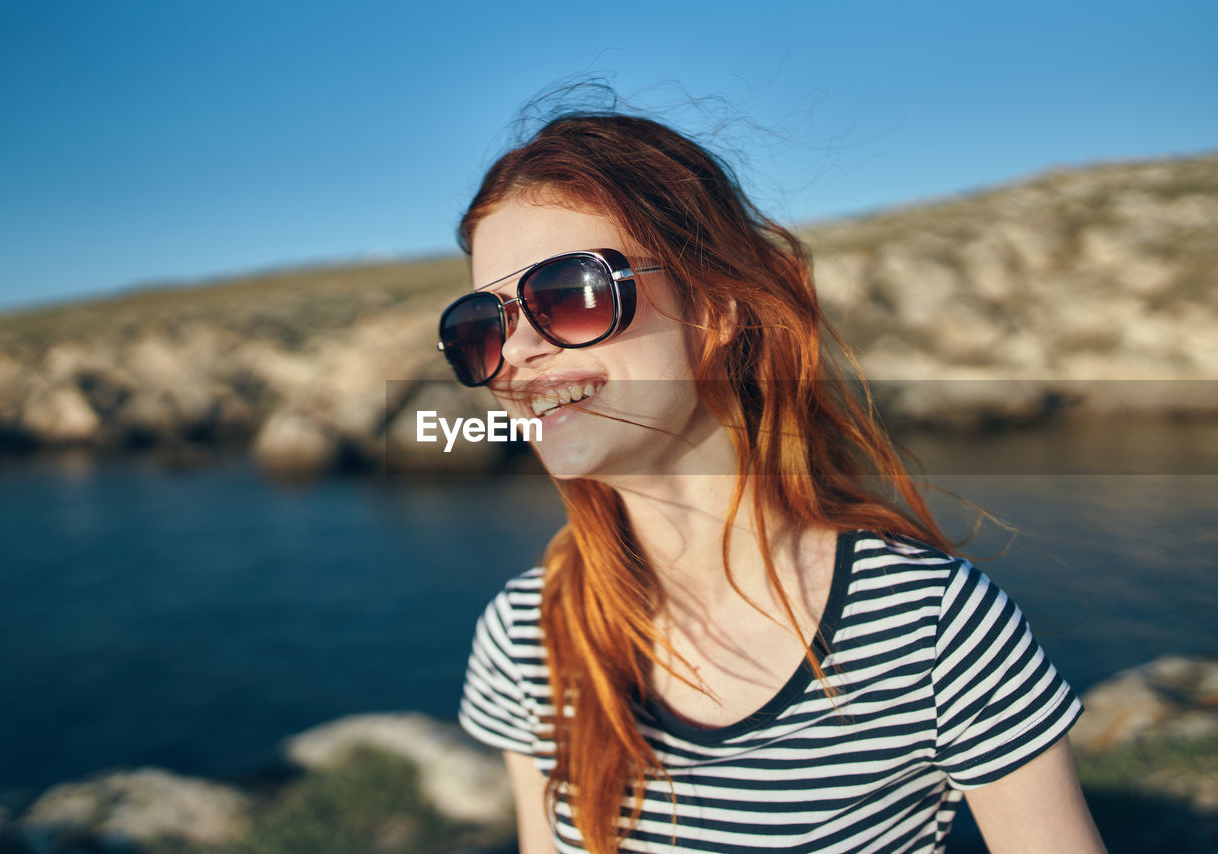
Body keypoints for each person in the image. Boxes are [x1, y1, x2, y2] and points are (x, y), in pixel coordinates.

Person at [438, 109, 1105, 853]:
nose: (518, 352)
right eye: (482, 327)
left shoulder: (931, 625)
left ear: (717, 310)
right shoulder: (530, 632)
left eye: (572, 292)